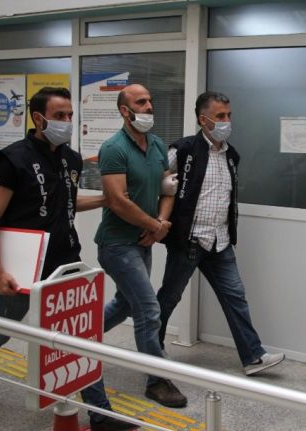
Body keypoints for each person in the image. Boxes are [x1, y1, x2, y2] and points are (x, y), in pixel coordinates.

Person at [0, 87, 136, 431]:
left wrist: (105, 200)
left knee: (79, 337)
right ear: (38, 118)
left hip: (66, 262)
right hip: (24, 267)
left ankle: (100, 414)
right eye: (59, 116)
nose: (67, 121)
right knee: (2, 330)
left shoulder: (71, 159)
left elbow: (67, 203)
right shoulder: (13, 159)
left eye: (70, 115)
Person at [158, 91, 285, 376]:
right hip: (189, 240)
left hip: (220, 241)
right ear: (203, 120)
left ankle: (253, 356)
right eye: (220, 116)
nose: (227, 121)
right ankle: (152, 351)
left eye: (229, 115)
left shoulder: (231, 155)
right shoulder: (183, 150)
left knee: (235, 296)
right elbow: (156, 178)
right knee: (168, 298)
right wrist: (161, 201)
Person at [94, 84, 187, 408]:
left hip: (144, 240)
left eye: (150, 101)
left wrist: (159, 224)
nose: (149, 107)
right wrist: (154, 226)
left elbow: (168, 187)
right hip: (117, 244)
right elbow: (117, 201)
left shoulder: (158, 144)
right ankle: (156, 380)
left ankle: (77, 341)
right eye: (141, 102)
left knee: (125, 304)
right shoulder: (113, 148)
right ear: (125, 111)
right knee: (148, 310)